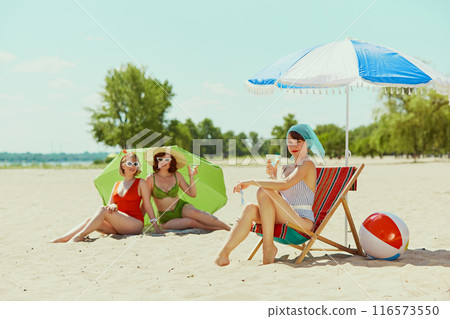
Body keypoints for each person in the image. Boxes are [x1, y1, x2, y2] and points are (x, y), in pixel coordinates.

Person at [215, 124, 325, 266]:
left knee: (263, 190)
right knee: (249, 208)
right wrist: (273, 176)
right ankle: (223, 254)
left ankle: (268, 247)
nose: (294, 145)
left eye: (299, 141)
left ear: (307, 143)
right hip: (284, 215)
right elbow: (280, 195)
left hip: (302, 222)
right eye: (290, 142)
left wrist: (251, 182)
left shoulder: (307, 164)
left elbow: (284, 184)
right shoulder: (287, 167)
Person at [52, 151, 162, 243]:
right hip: (118, 226)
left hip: (134, 224)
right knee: (91, 219)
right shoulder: (117, 184)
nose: (132, 166)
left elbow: (148, 206)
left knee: (102, 210)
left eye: (135, 164)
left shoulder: (140, 183)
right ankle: (64, 238)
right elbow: (109, 205)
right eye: (129, 163)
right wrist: (113, 205)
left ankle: (79, 236)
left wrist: (156, 229)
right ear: (122, 165)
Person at [146, 146, 230, 232]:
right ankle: (219, 229)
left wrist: (191, 177)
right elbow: (146, 202)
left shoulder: (177, 175)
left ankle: (228, 228)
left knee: (197, 213)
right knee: (192, 223)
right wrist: (152, 224)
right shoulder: (150, 178)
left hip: (181, 207)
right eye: (160, 159)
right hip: (166, 217)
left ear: (171, 162)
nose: (164, 162)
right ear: (156, 161)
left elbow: (192, 194)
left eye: (167, 159)